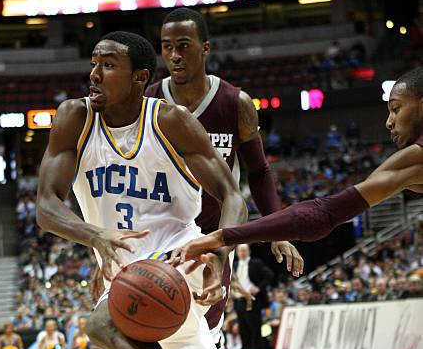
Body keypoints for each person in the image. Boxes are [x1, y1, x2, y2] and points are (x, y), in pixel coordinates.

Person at [37, 30, 390, 349]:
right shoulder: (75, 117)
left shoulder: (172, 122)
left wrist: (220, 249)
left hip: (177, 264)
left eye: (108, 65)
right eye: (93, 62)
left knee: (104, 326)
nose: (94, 74)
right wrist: (94, 236)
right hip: (125, 270)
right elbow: (46, 208)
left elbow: (231, 193)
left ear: (141, 78)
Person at [144, 7, 302, 349]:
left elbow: (257, 172)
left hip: (212, 248)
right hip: (158, 247)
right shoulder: (149, 104)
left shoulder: (236, 103)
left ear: (205, 49)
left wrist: (276, 230)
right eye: (167, 46)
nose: (174, 54)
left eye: (184, 45)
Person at [167, 67, 423, 262]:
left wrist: (220, 236)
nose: (388, 122)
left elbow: (322, 214)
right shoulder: (411, 160)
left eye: (396, 109)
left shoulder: (416, 157)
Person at [233, 243, 273, 349]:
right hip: (239, 300)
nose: (242, 252)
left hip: (253, 300)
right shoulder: (234, 264)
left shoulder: (256, 263)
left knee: (255, 327)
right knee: (243, 328)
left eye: (244, 250)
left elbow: (269, 275)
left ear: (249, 251)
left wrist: (258, 288)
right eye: (240, 250)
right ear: (237, 252)